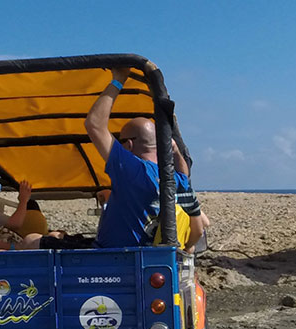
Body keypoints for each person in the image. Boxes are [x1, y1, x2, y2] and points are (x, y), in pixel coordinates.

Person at [82, 68, 162, 249]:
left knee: (32, 240)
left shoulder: (133, 168)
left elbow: (94, 124)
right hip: (150, 253)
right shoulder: (171, 176)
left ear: (129, 145)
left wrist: (118, 80)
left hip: (112, 255)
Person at [169, 138, 210, 252]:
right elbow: (200, 230)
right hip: (176, 245)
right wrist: (189, 246)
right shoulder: (184, 190)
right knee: (201, 225)